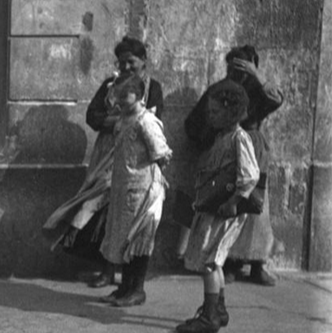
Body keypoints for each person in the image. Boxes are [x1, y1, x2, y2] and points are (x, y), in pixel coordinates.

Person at [44, 36, 164, 288]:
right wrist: (118, 122)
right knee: (102, 211)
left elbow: (151, 120)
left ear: (143, 62)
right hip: (106, 155)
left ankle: (125, 278)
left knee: (122, 214)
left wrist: (121, 122)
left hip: (133, 158)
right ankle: (107, 270)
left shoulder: (153, 88)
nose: (127, 68)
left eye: (131, 62)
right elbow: (93, 116)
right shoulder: (109, 85)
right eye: (122, 63)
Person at [185, 45, 283, 286]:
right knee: (228, 204)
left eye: (243, 66)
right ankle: (228, 263)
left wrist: (256, 75)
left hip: (254, 148)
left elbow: (276, 99)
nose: (237, 71)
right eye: (233, 66)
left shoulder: (257, 90)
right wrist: (210, 139)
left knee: (256, 208)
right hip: (228, 151)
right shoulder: (220, 91)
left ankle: (258, 264)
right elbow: (195, 123)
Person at [177, 80, 257, 333]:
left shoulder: (238, 138)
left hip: (224, 210)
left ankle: (209, 316)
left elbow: (250, 174)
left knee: (209, 261)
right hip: (215, 207)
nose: (210, 117)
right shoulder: (224, 137)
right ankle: (218, 309)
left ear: (231, 112)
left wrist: (234, 201)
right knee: (215, 259)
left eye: (214, 112)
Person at [96, 75, 172, 307]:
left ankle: (137, 289)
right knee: (123, 239)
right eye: (118, 94)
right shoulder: (122, 120)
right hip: (124, 187)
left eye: (125, 95)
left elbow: (162, 153)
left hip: (143, 191)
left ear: (139, 96)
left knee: (138, 241)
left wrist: (153, 184)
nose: (119, 99)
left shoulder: (145, 121)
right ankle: (125, 287)